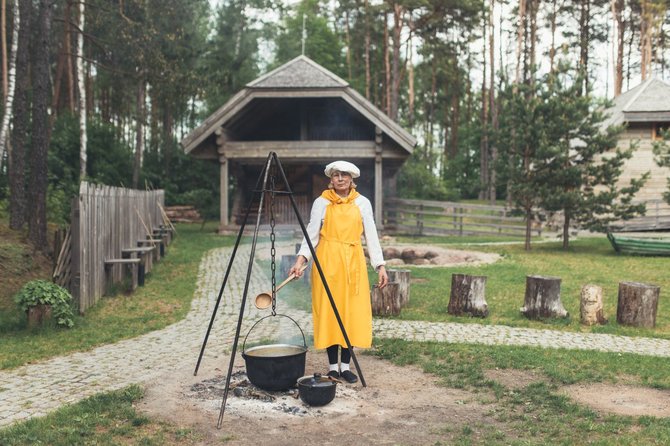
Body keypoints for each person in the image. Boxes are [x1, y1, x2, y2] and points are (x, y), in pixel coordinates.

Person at [288, 160, 388, 384]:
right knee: (330, 312)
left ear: (352, 179)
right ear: (330, 180)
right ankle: (333, 367)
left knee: (351, 313)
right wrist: (300, 260)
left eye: (344, 175)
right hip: (328, 262)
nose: (340, 178)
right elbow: (311, 235)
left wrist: (380, 266)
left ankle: (346, 366)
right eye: (336, 175)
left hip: (353, 262)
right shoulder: (321, 203)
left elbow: (371, 236)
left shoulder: (362, 203)